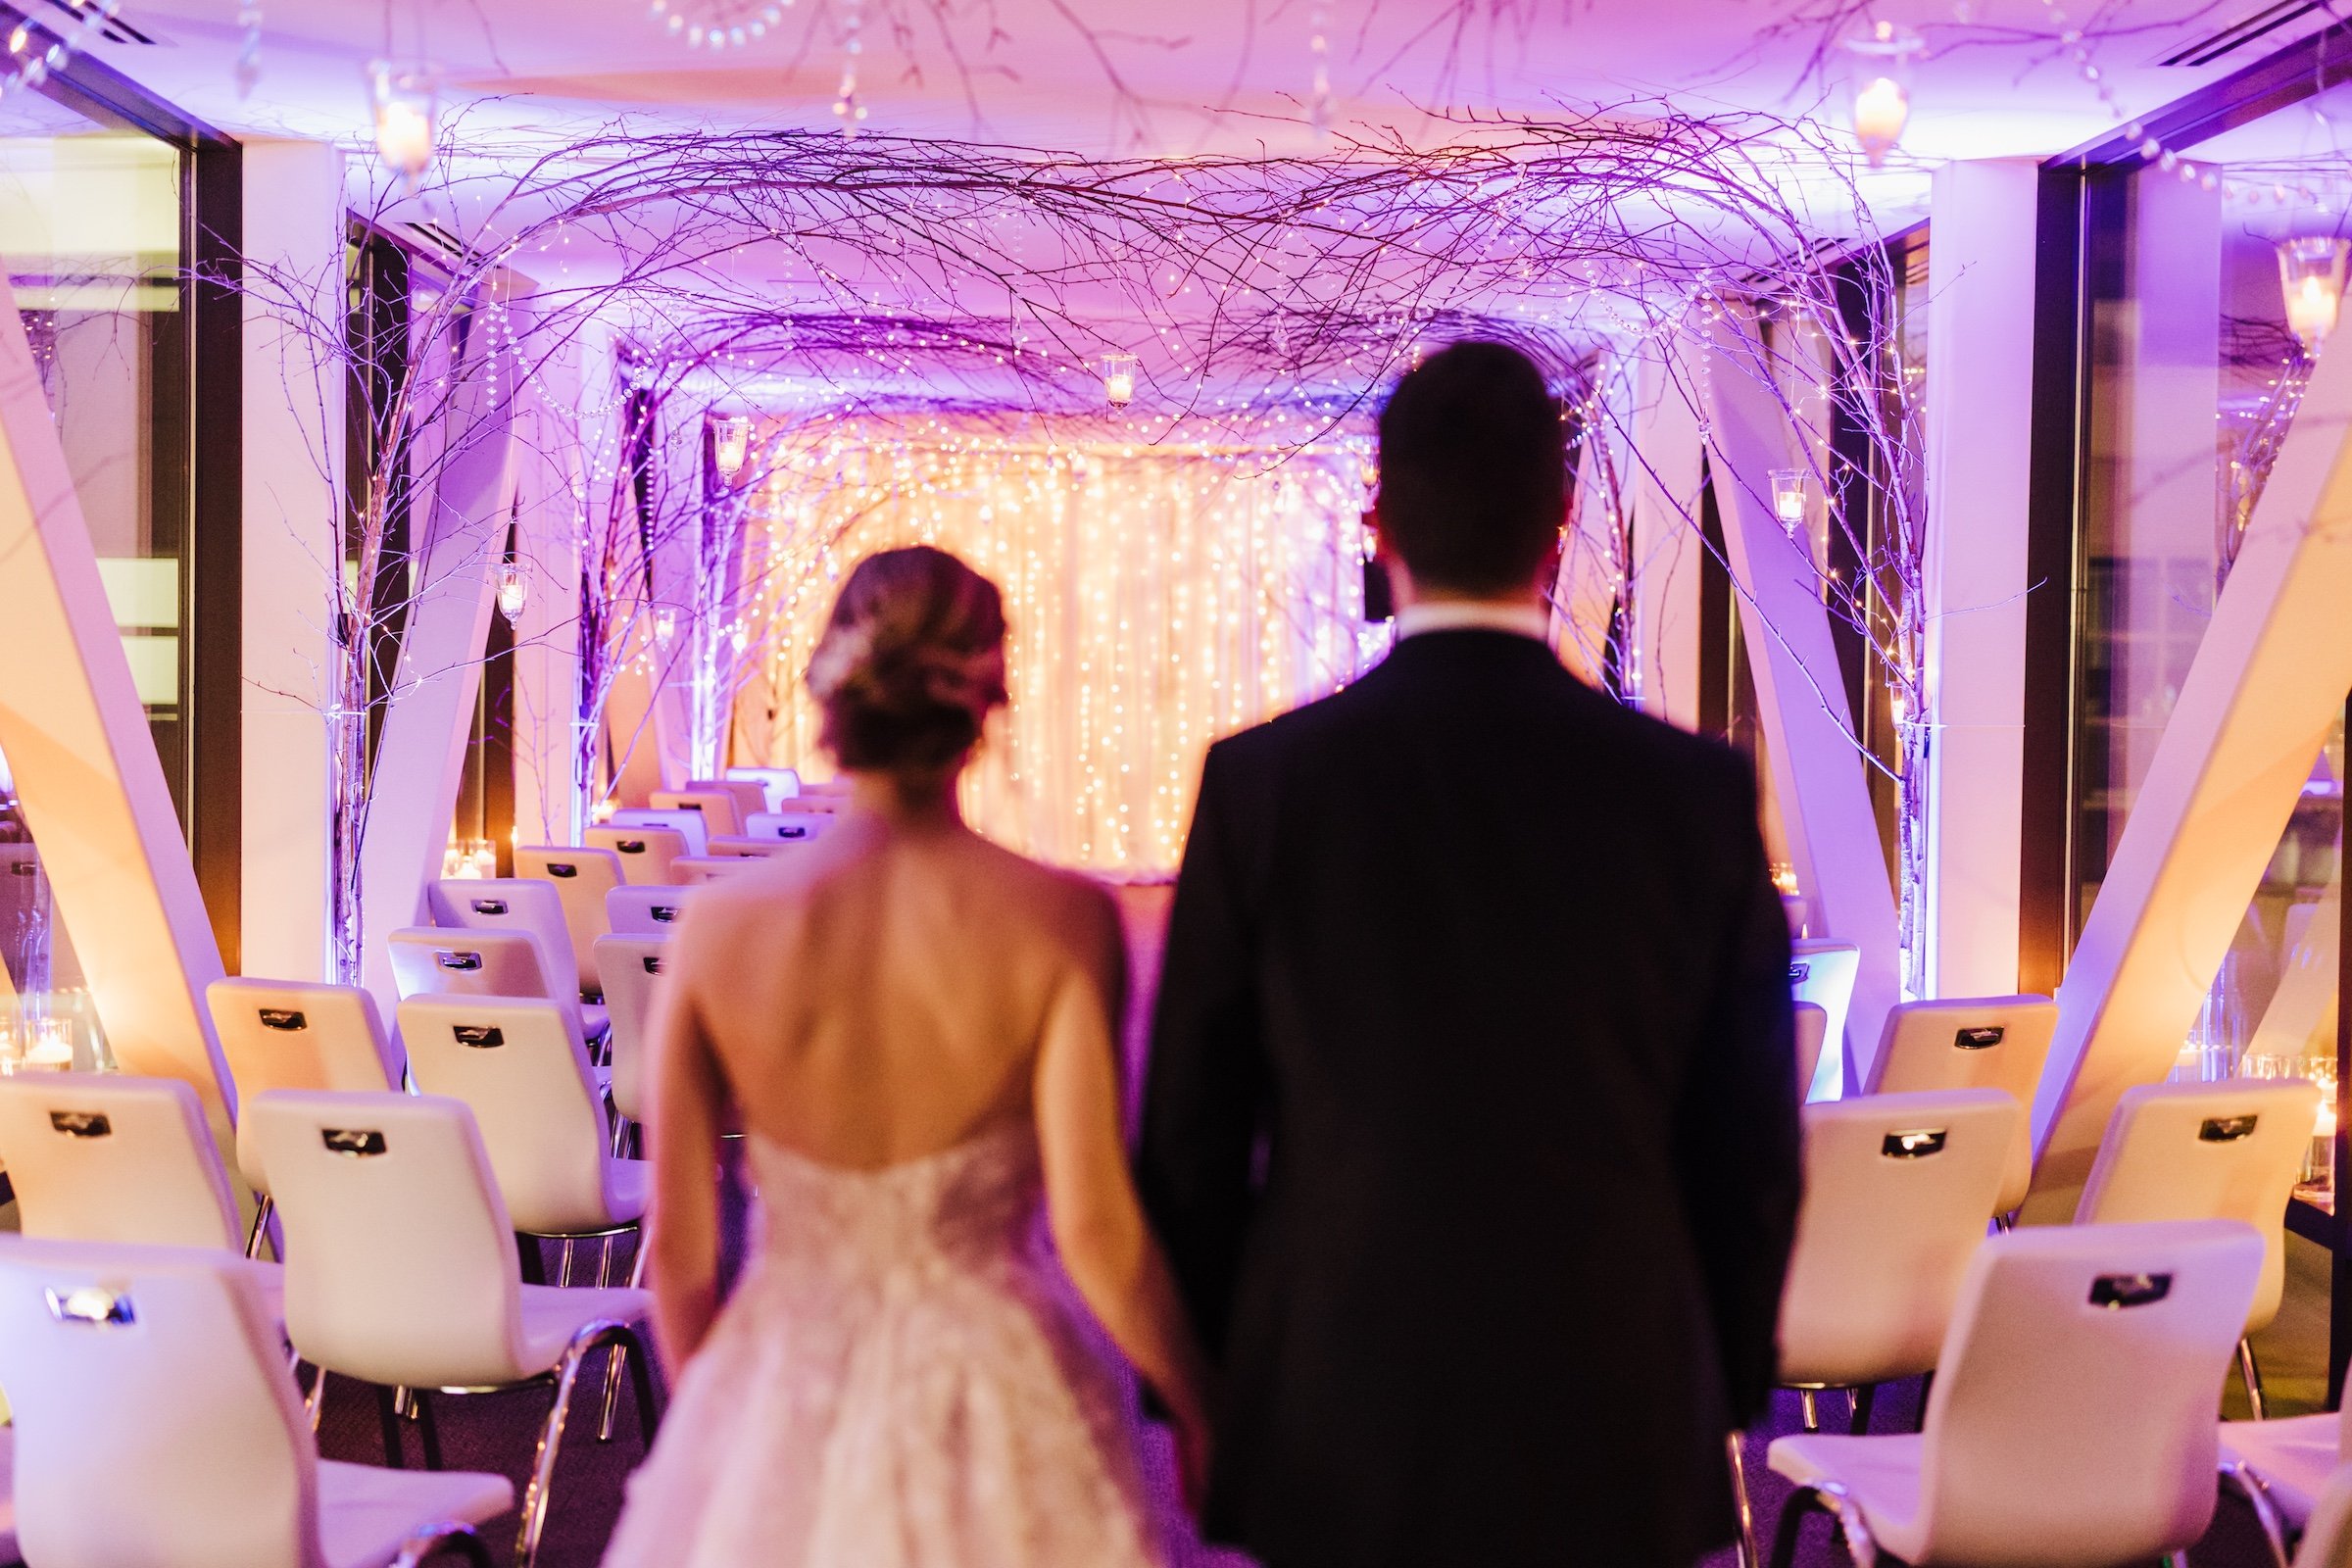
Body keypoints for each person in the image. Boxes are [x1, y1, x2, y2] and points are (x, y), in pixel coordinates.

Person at [1137, 341, 1802, 1568]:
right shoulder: (1692, 795)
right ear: (1561, 526)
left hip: (1338, 1388)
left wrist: (1199, 1390)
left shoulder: (1266, 785)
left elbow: (1190, 1131)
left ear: (1379, 522)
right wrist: (1716, 1380)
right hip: (1616, 1392)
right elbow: (1752, 1142)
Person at [605, 545, 1213, 1568]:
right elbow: (1099, 1232)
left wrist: (727, 1442)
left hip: (783, 1368)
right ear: (988, 696)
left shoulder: (717, 929)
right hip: (996, 1395)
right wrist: (1203, 1400)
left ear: (838, 693)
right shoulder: (1064, 920)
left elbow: (679, 1252)